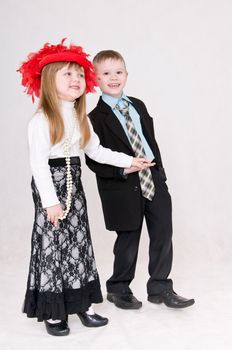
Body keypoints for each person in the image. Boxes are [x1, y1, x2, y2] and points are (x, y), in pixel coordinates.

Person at [18, 40, 152, 336]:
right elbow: (38, 165)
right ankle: (55, 311)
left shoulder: (80, 118)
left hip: (73, 187)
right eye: (67, 75)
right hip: (51, 188)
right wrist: (50, 203)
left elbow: (98, 151)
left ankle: (82, 304)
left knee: (78, 244)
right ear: (48, 81)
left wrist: (131, 160)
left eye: (80, 75)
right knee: (54, 246)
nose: (76, 80)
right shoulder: (42, 120)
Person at [86, 50, 195, 310]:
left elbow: (149, 141)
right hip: (123, 185)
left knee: (162, 232)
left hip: (152, 178)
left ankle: (160, 287)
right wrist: (122, 170)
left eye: (119, 72)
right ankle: (119, 288)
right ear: (95, 79)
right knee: (128, 237)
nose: (114, 78)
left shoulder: (138, 105)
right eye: (106, 73)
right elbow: (93, 159)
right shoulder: (94, 118)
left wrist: (161, 174)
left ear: (126, 74)